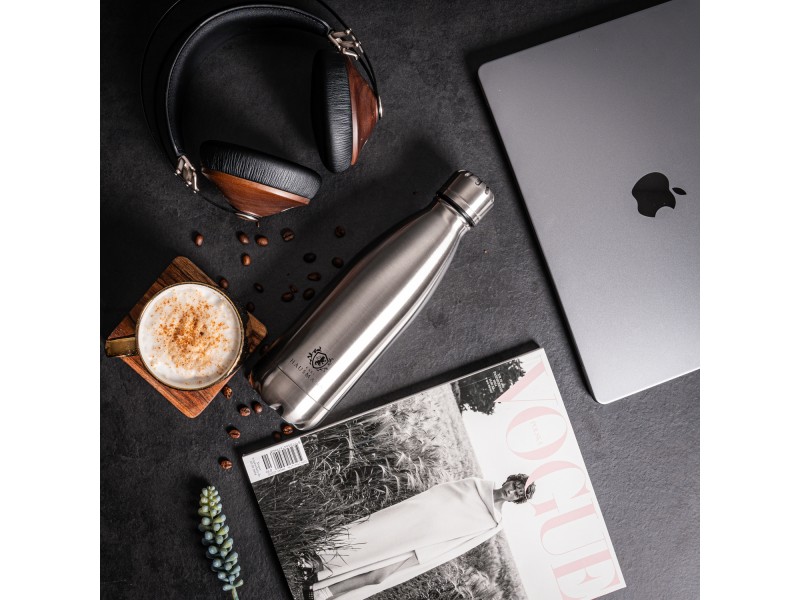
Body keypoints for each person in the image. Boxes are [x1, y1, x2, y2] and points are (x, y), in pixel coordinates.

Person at [299, 474, 535, 600]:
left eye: (517, 493)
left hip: (426, 548)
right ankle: (313, 566)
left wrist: (431, 554)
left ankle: (322, 593)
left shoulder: (496, 522)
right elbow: (435, 497)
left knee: (378, 577)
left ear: (517, 500)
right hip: (411, 524)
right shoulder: (475, 485)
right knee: (368, 544)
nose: (512, 491)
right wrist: (413, 518)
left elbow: (462, 543)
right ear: (510, 479)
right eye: (515, 485)